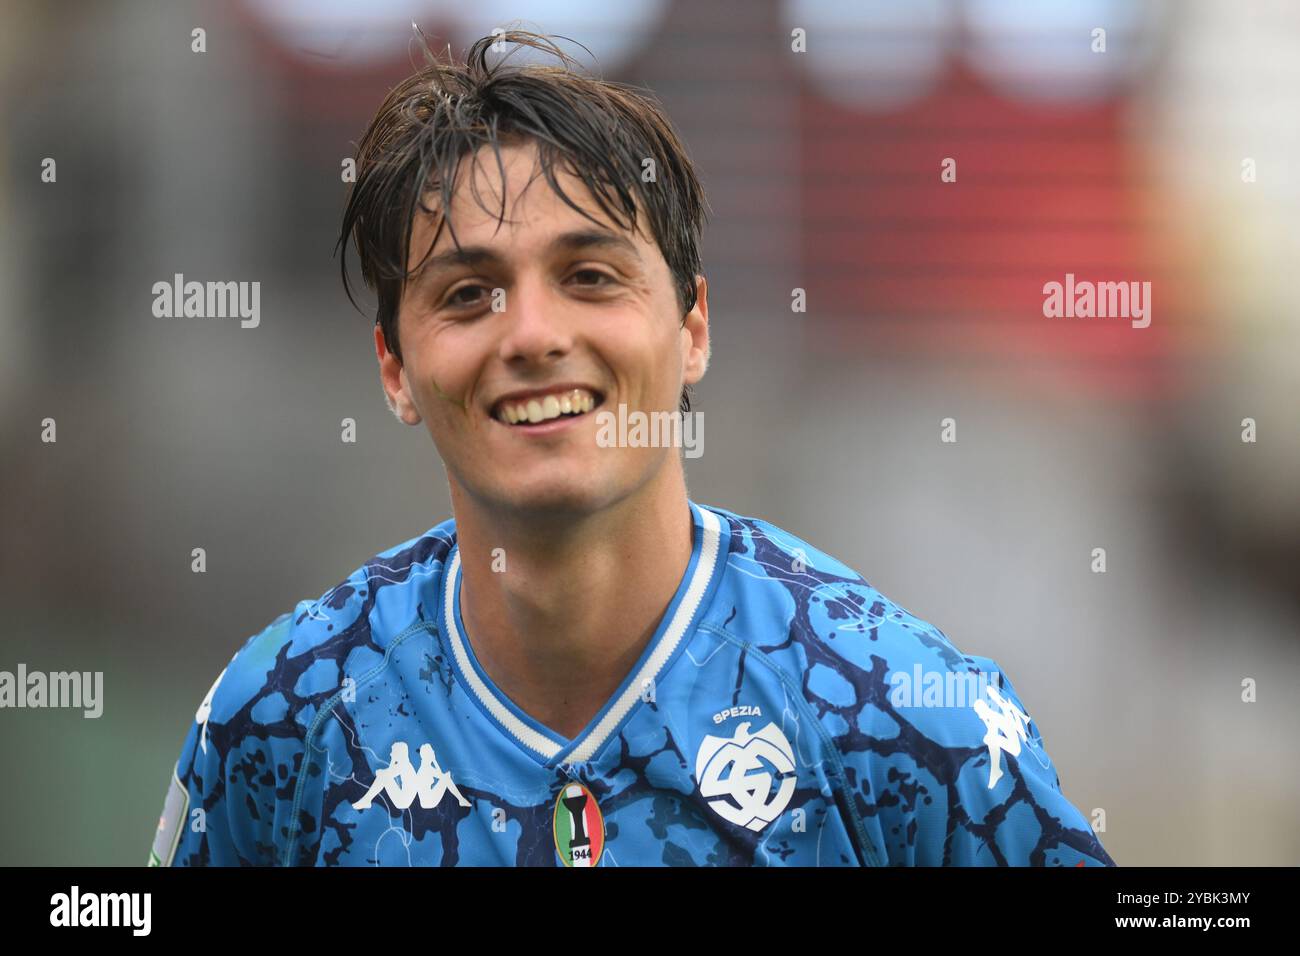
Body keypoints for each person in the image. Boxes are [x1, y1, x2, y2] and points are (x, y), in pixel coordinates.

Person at [149, 29, 1113, 867]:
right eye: (467, 293)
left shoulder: (899, 717)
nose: (531, 334)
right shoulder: (281, 721)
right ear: (396, 369)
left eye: (590, 276)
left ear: (692, 328)